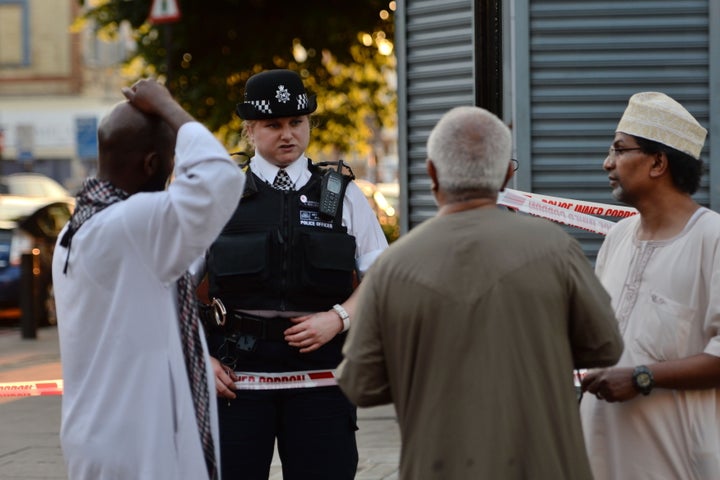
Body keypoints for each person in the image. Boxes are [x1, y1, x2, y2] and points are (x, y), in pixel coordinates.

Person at [336, 105, 624, 480]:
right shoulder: (556, 249)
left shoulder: (394, 268)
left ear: (432, 174)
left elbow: (361, 384)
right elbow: (606, 346)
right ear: (506, 173)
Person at [199, 69, 388, 479]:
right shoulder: (222, 195)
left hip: (321, 379)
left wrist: (338, 318)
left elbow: (383, 278)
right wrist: (199, 357)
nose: (287, 134)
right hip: (237, 380)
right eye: (273, 125)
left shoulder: (342, 195)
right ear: (251, 130)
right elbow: (173, 286)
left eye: (296, 122)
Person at [52, 78, 245, 480]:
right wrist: (167, 105)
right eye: (173, 162)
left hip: (100, 439)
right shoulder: (132, 226)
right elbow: (219, 178)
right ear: (153, 165)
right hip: (140, 449)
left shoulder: (78, 227)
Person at [579, 92, 720, 479]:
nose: (607, 163)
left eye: (620, 150)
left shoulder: (712, 239)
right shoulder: (618, 237)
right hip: (600, 459)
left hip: (678, 464)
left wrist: (642, 377)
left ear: (658, 162)